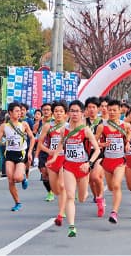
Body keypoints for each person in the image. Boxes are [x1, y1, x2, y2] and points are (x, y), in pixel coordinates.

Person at [46, 100, 100, 237]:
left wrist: (89, 163)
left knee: (81, 198)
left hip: (82, 167)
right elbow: (60, 144)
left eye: (77, 111)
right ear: (69, 113)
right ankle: (71, 226)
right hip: (69, 166)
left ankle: (85, 194)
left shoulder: (86, 130)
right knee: (70, 196)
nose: (74, 114)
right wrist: (54, 157)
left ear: (82, 113)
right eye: (72, 111)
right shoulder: (65, 129)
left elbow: (97, 150)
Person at [0, 102, 35, 211]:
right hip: (9, 154)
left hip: (21, 154)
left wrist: (30, 152)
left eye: (20, 111)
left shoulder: (24, 125)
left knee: (17, 177)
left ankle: (23, 177)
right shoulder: (4, 126)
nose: (19, 113)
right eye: (16, 111)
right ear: (10, 113)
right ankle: (17, 202)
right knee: (10, 179)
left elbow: (32, 138)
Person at [96, 99, 131, 224]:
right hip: (107, 161)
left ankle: (114, 212)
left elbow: (128, 136)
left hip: (120, 160)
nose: (111, 112)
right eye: (109, 110)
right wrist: (102, 144)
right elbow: (94, 142)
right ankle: (104, 201)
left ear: (120, 110)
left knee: (116, 185)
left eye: (114, 110)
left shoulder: (125, 125)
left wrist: (127, 144)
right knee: (111, 187)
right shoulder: (102, 126)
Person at [39, 101, 67, 225]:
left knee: (61, 185)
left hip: (65, 159)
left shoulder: (68, 127)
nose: (58, 114)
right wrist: (49, 151)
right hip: (52, 160)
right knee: (55, 189)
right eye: (56, 111)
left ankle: (61, 212)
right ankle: (61, 202)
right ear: (52, 113)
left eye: (61, 111)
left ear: (65, 114)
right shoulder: (47, 126)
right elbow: (40, 143)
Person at [84, 96, 105, 216]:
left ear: (98, 109)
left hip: (99, 153)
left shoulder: (102, 122)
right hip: (86, 153)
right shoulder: (82, 122)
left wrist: (102, 144)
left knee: (95, 177)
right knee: (90, 181)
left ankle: (101, 198)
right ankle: (96, 196)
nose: (91, 110)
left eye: (94, 107)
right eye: (89, 107)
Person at [33, 103, 55, 202]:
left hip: (54, 151)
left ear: (51, 111)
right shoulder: (38, 124)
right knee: (44, 173)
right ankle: (50, 191)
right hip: (42, 150)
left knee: (54, 173)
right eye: (44, 110)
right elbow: (34, 137)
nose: (46, 111)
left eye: (48, 110)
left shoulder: (55, 122)